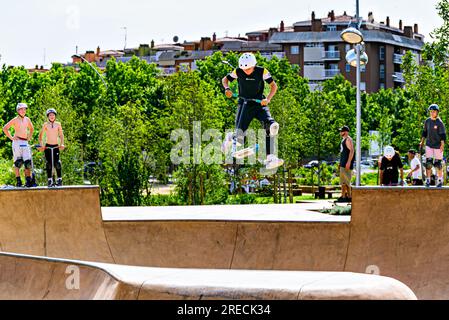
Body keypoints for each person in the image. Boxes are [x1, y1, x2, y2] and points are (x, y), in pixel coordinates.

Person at [221, 52, 284, 170]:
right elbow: (225, 80)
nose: (246, 71)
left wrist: (268, 99)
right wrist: (227, 89)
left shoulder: (262, 71)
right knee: (240, 136)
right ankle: (231, 139)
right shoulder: (238, 71)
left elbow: (274, 86)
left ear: (253, 66)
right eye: (244, 69)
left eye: (248, 69)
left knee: (270, 126)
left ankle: (270, 157)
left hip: (259, 103)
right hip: (244, 103)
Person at [2, 103, 35, 187]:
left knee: (28, 163)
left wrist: (29, 137)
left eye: (24, 109)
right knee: (18, 162)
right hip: (17, 142)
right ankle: (18, 181)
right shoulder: (15, 119)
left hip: (25, 142)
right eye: (21, 109)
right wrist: (11, 137)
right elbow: (5, 128)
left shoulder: (27, 119)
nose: (23, 111)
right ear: (18, 110)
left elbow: (32, 128)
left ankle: (28, 180)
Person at [419, 104, 446, 188]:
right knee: (429, 163)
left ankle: (440, 180)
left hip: (438, 145)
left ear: (437, 112)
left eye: (433, 111)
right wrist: (422, 142)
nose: (432, 113)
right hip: (429, 145)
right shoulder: (427, 121)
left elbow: (443, 135)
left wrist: (442, 145)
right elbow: (424, 132)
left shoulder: (440, 123)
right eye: (431, 111)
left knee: (438, 164)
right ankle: (428, 180)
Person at [38, 108, 65, 187]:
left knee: (57, 163)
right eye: (50, 115)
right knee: (49, 164)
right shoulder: (45, 125)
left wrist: (62, 144)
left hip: (56, 146)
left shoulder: (58, 124)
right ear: (48, 116)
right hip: (48, 147)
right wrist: (41, 144)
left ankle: (59, 179)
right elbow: (40, 135)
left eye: (53, 115)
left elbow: (61, 135)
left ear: (55, 116)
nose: (52, 116)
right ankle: (49, 179)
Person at [337, 126, 354, 203]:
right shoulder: (343, 140)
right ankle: (343, 196)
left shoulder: (348, 139)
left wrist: (349, 162)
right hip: (343, 163)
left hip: (346, 164)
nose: (340, 132)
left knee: (346, 181)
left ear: (346, 132)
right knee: (343, 181)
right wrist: (340, 163)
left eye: (342, 131)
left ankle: (349, 196)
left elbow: (352, 151)